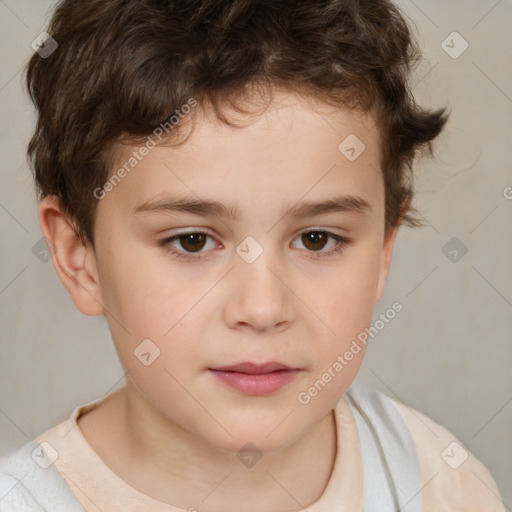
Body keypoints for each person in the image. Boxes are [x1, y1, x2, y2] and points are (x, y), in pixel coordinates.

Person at [0, 0, 506, 510]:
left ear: (382, 250)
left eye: (317, 239)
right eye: (192, 241)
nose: (263, 309)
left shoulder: (440, 483)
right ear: (78, 257)